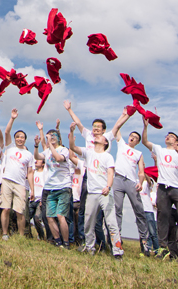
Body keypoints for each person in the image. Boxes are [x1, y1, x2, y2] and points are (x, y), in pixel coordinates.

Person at [64, 101, 130, 249]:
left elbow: (117, 127)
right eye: (94, 127)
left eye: (98, 128)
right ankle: (87, 244)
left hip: (103, 179)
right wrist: (69, 110)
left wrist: (125, 115)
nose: (95, 130)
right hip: (89, 175)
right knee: (86, 213)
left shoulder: (107, 146)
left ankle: (112, 246)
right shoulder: (89, 140)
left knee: (107, 218)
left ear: (104, 134)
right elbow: (77, 130)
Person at [140, 119, 178, 263]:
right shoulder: (160, 150)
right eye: (167, 135)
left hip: (177, 188)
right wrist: (145, 127)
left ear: (176, 141)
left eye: (171, 136)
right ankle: (163, 247)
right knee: (162, 218)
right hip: (162, 188)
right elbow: (145, 141)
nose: (167, 137)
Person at [70, 125, 123, 258]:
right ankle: (90, 247)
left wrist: (108, 187)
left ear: (106, 142)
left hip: (105, 193)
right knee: (88, 222)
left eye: (101, 136)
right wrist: (71, 132)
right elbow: (73, 148)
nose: (97, 136)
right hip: (92, 194)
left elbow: (111, 173)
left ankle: (117, 251)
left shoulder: (107, 157)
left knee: (111, 222)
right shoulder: (89, 152)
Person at [111, 117, 150, 255]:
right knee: (117, 209)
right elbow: (118, 128)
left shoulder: (138, 153)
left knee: (139, 210)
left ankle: (144, 242)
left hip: (132, 182)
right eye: (131, 136)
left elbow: (141, 171)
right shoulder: (121, 144)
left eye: (135, 138)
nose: (132, 138)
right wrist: (124, 115)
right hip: (118, 179)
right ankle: (116, 240)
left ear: (138, 142)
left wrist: (140, 182)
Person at [0, 109, 34, 240]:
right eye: (18, 137)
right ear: (14, 139)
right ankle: (4, 233)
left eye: (22, 137)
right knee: (6, 208)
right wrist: (12, 118)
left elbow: (30, 173)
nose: (20, 139)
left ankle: (20, 236)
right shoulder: (10, 148)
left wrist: (32, 190)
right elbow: (7, 131)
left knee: (20, 211)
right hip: (7, 180)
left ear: (25, 139)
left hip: (20, 184)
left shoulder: (28, 155)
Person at [36, 120, 71, 248]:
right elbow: (38, 156)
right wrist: (36, 146)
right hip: (50, 188)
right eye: (49, 136)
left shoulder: (63, 150)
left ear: (58, 139)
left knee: (60, 215)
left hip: (63, 187)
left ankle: (66, 242)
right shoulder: (47, 151)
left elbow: (59, 158)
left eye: (54, 136)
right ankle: (58, 242)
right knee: (49, 216)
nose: (51, 138)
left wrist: (50, 145)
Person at [28, 152, 47, 240]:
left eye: (39, 160)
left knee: (37, 219)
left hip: (40, 199)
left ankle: (41, 236)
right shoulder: (33, 172)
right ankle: (28, 235)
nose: (36, 161)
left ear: (43, 163)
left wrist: (43, 200)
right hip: (31, 199)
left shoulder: (45, 173)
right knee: (26, 218)